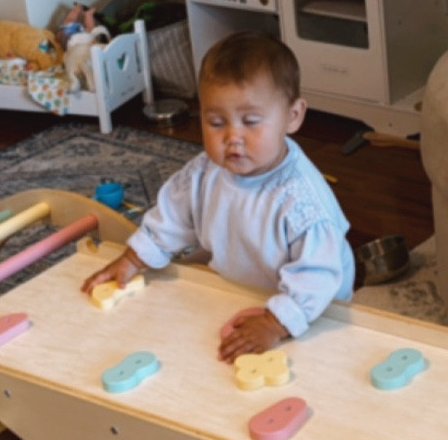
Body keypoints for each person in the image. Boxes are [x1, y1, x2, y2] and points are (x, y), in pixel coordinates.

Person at [81, 33, 355, 362]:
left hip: (312, 305)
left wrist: (275, 323)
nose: (232, 138)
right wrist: (133, 259)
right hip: (240, 287)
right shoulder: (203, 173)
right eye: (215, 122)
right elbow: (172, 215)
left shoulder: (302, 201)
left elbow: (318, 274)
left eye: (251, 121)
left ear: (293, 117)